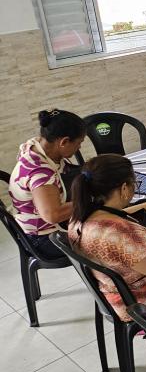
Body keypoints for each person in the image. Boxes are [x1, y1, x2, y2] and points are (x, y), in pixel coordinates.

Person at [67, 154, 146, 322]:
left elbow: (123, 214)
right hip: (144, 302)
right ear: (125, 188)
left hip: (116, 294)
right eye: (135, 184)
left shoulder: (81, 218)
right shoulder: (122, 235)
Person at [8, 109, 86, 260]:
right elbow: (53, 215)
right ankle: (110, 281)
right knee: (106, 235)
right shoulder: (40, 173)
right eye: (79, 143)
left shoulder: (37, 145)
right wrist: (91, 200)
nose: (79, 148)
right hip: (43, 239)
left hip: (37, 227)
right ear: (63, 142)